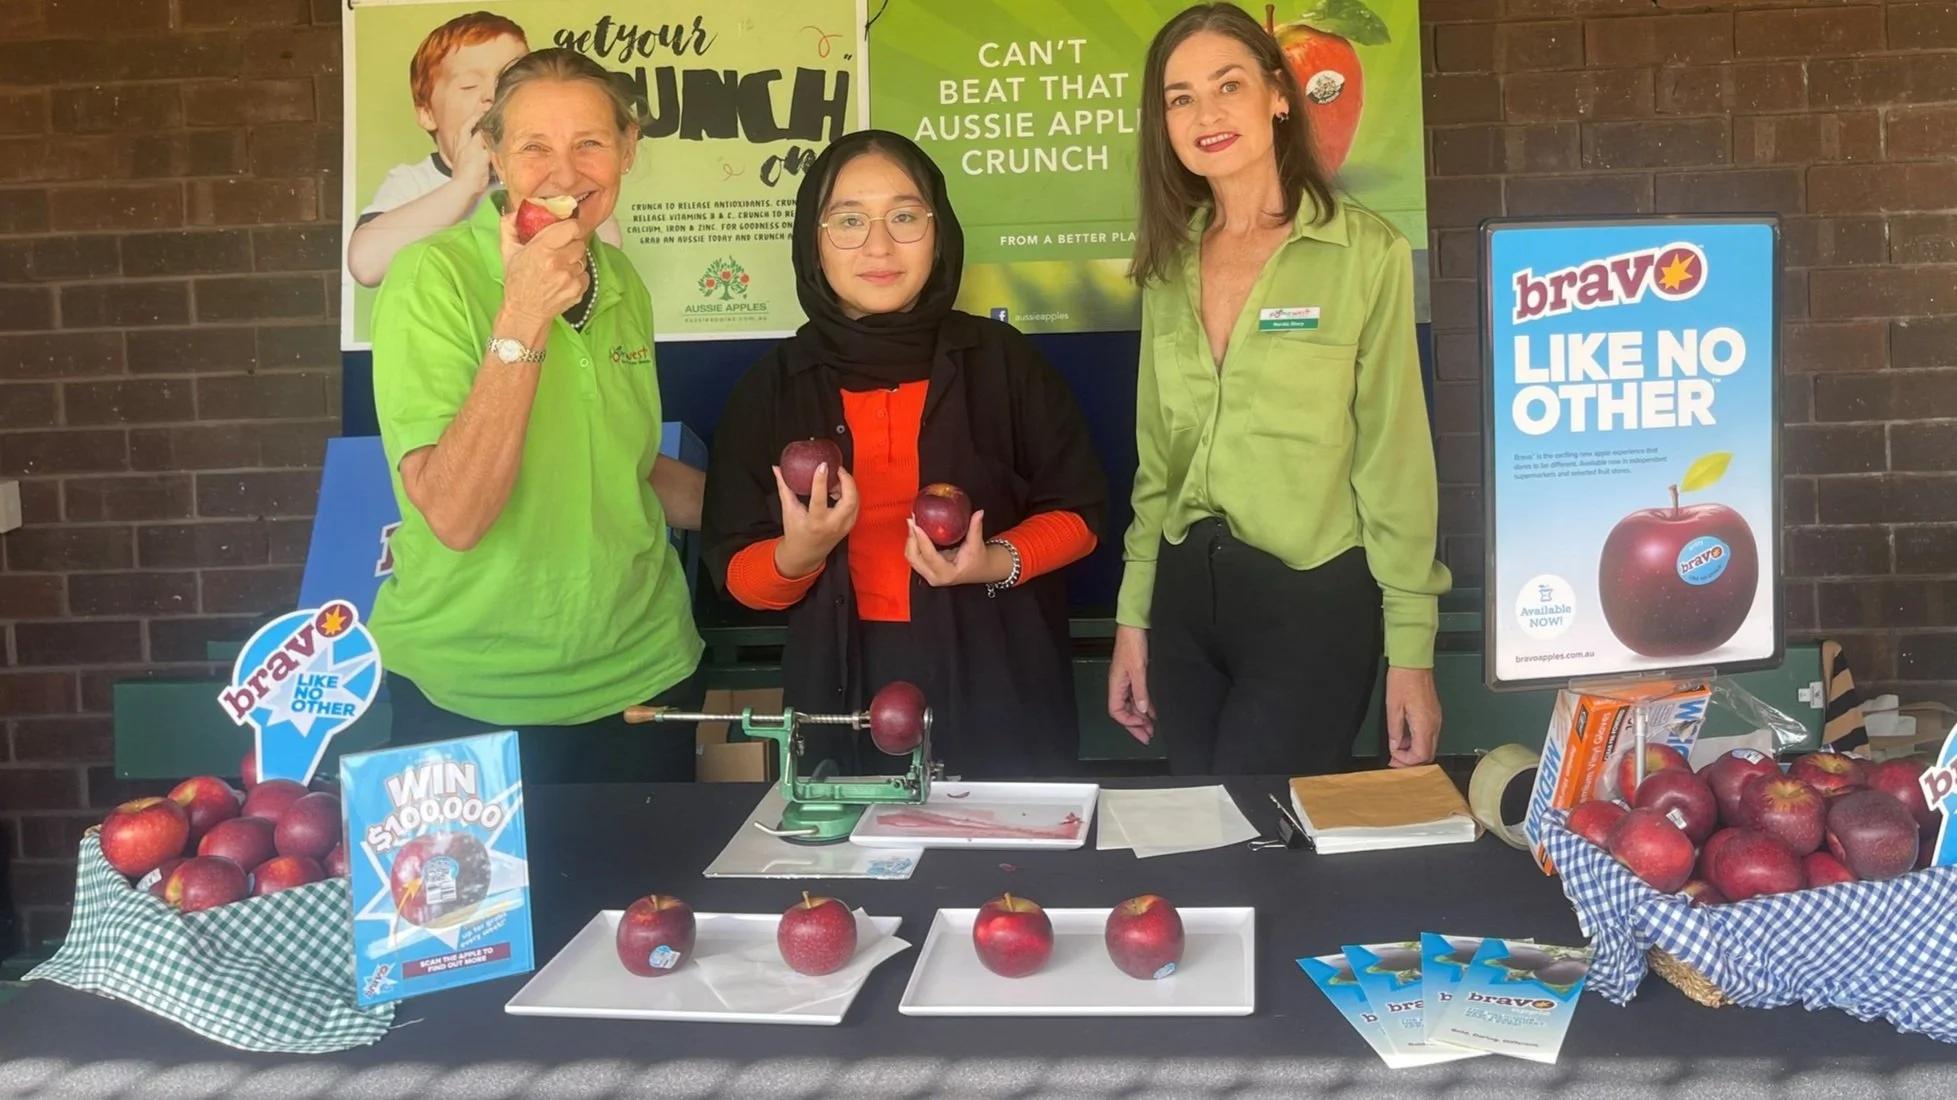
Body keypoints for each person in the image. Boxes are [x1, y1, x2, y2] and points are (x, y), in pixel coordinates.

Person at [1106, 4, 1450, 777]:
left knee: (1270, 843)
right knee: (1199, 837)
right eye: (1180, 97)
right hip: (1186, 603)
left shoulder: (1363, 253)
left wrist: (1411, 655)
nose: (1206, 114)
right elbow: (1156, 465)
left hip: (1313, 602)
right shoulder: (1166, 265)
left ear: (1279, 95)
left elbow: (1394, 461)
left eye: (1228, 85)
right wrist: (1134, 619)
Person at [702, 130, 1108, 780]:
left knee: (1003, 872)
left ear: (938, 229)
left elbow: (1080, 515)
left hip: (999, 683)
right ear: (813, 239)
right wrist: (799, 552)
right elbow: (737, 572)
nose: (878, 245)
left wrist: (991, 563)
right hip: (840, 687)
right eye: (849, 220)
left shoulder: (1003, 364)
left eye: (903, 215)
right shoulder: (773, 387)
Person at [367, 48, 706, 784]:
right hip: (475, 701)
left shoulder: (621, 280)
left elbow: (625, 460)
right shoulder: (431, 279)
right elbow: (454, 514)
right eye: (533, 147)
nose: (564, 173)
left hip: (644, 682)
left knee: (650, 903)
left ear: (627, 150)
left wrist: (774, 517)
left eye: (590, 142)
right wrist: (522, 312)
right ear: (491, 155)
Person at [348, 12, 620, 289]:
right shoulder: (414, 181)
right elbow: (366, 265)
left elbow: (609, 251)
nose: (492, 94)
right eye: (469, 85)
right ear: (427, 112)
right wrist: (464, 186)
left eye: (510, 80)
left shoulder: (547, 175)